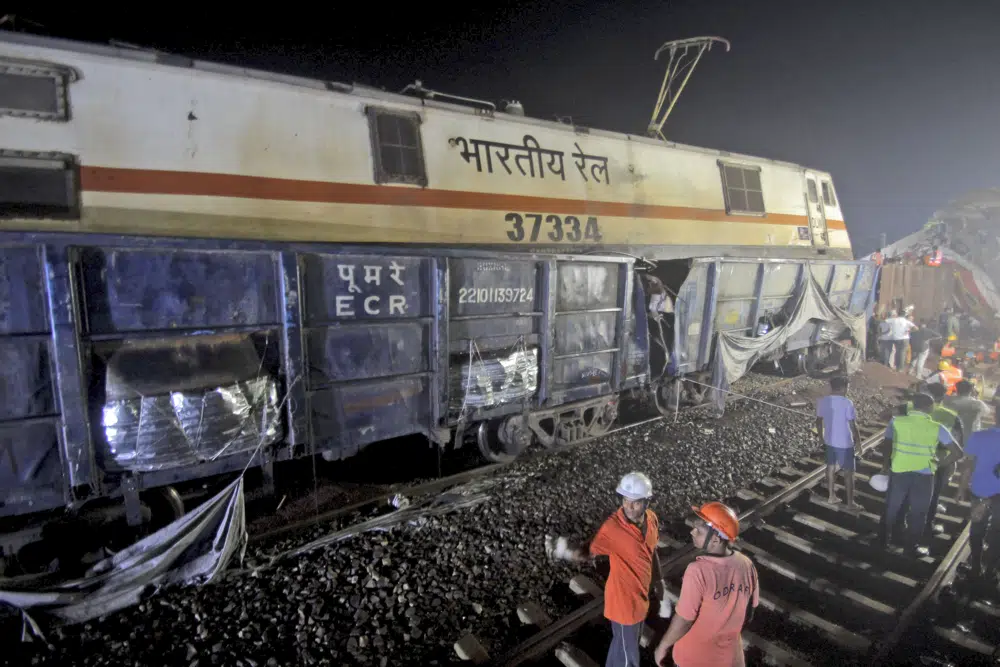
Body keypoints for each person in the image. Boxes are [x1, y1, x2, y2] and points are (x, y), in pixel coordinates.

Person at [654, 502, 758, 667]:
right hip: (732, 659)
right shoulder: (746, 564)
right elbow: (749, 613)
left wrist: (663, 646)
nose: (692, 532)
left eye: (699, 531)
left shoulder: (698, 571)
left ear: (716, 539)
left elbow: (684, 620)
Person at [582, 472, 663, 667]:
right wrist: (567, 551)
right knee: (629, 658)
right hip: (624, 604)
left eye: (635, 502)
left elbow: (651, 553)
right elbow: (588, 551)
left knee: (623, 646)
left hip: (641, 598)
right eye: (625, 500)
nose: (628, 506)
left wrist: (659, 582)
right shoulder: (613, 528)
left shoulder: (651, 520)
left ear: (647, 502)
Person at [878, 392, 964, 556]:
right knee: (919, 513)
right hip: (925, 476)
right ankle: (911, 549)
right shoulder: (937, 427)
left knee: (891, 508)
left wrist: (886, 465)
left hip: (899, 472)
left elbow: (887, 446)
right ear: (929, 407)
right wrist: (939, 463)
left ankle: (882, 541)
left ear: (913, 405)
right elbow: (958, 453)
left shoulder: (896, 422)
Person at [956, 402, 1000, 587]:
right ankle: (991, 571)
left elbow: (967, 466)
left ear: (995, 416)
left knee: (977, 529)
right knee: (998, 532)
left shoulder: (979, 436)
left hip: (980, 492)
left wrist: (961, 489)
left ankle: (975, 565)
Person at [815, 376, 863, 507]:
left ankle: (831, 496)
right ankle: (850, 502)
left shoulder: (823, 401)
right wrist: (858, 443)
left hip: (829, 441)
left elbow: (818, 421)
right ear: (843, 388)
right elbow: (853, 425)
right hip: (845, 443)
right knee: (849, 473)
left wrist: (820, 438)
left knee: (830, 467)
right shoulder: (847, 402)